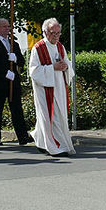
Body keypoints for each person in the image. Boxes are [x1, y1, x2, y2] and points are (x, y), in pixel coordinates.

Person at [29, 17, 75, 156]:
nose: (56, 36)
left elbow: (68, 65)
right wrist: (52, 68)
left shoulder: (60, 47)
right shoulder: (38, 48)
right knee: (49, 117)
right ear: (45, 32)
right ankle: (55, 147)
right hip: (44, 88)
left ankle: (40, 139)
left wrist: (66, 67)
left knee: (59, 115)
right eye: (52, 33)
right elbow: (34, 71)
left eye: (58, 33)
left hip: (59, 87)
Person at [0, 17, 32, 147]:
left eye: (8, 26)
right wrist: (5, 73)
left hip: (13, 83)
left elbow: (22, 61)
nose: (7, 29)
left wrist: (15, 58)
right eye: (4, 26)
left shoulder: (13, 44)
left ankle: (22, 136)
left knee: (17, 109)